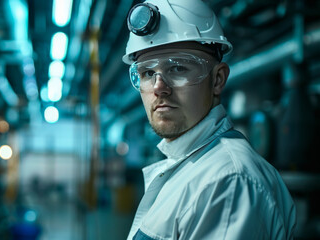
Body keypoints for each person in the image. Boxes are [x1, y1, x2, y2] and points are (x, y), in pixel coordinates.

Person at [122, 0, 296, 239]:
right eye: (147, 73)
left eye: (178, 68)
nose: (159, 87)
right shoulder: (190, 168)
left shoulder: (227, 182)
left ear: (217, 80)